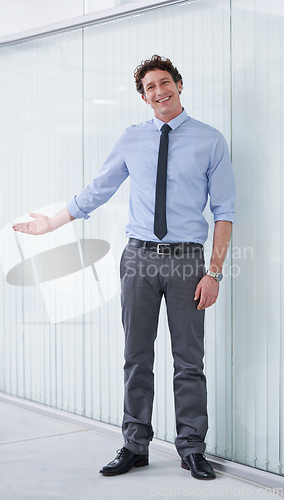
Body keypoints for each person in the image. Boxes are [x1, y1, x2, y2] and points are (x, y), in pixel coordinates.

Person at [13, 55, 235, 480]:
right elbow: (98, 189)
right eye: (150, 87)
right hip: (138, 259)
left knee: (189, 361)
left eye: (164, 82)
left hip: (189, 261)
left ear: (179, 85)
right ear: (143, 96)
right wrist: (51, 223)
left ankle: (191, 448)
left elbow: (224, 211)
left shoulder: (210, 140)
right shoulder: (132, 139)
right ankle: (135, 445)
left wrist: (215, 272)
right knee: (136, 357)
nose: (159, 91)